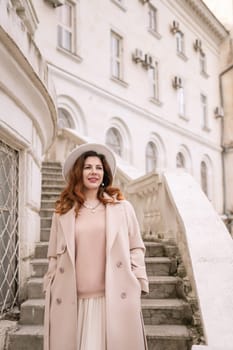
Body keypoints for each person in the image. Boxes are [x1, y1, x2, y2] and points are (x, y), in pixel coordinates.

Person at [43, 143, 149, 350]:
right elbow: (53, 256)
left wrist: (139, 281)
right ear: (78, 173)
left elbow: (136, 247)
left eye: (99, 167)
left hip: (114, 298)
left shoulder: (122, 208)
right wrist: (50, 285)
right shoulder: (62, 212)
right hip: (74, 302)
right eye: (87, 167)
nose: (94, 172)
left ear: (105, 174)